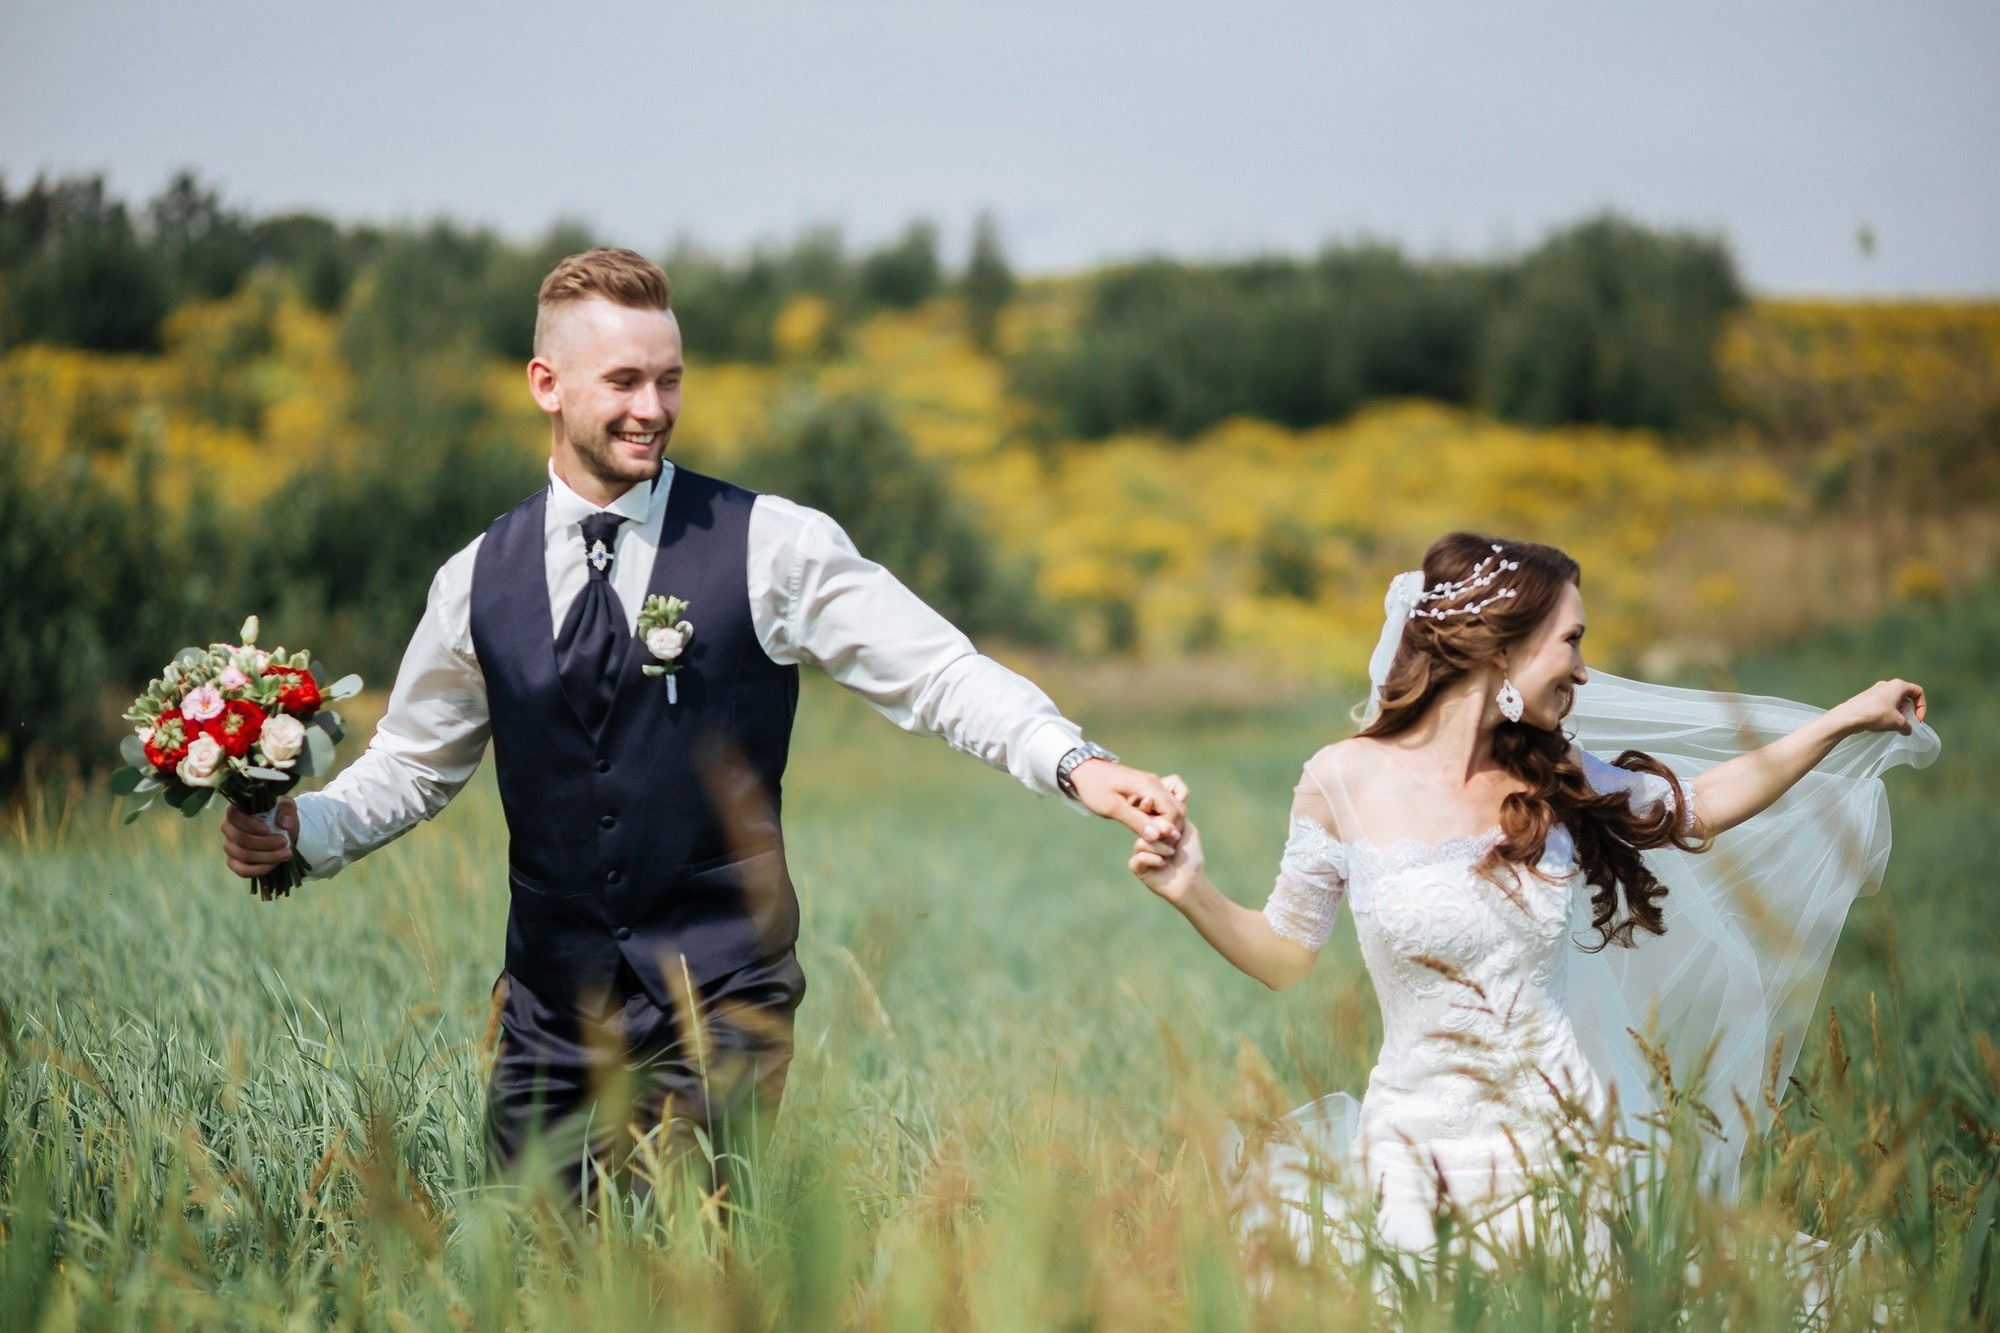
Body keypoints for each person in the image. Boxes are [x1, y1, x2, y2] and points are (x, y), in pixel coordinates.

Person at [219, 247, 1184, 1199]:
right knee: (538, 1284)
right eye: (626, 380)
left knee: (696, 1276)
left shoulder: (771, 545)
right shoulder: (474, 578)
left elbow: (937, 674)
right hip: (550, 1016)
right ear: (545, 384)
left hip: (723, 999)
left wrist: (1076, 764)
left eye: (670, 380)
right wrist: (307, 829)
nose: (653, 408)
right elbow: (414, 761)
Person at [1127, 531, 1936, 1260]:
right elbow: (1284, 957)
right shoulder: (1340, 778)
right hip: (1414, 1154)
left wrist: (1845, 718)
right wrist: (1189, 887)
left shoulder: (1555, 772)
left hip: (1569, 1147)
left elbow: (1700, 806)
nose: (1585, 669)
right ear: (1501, 649)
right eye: (1572, 641)